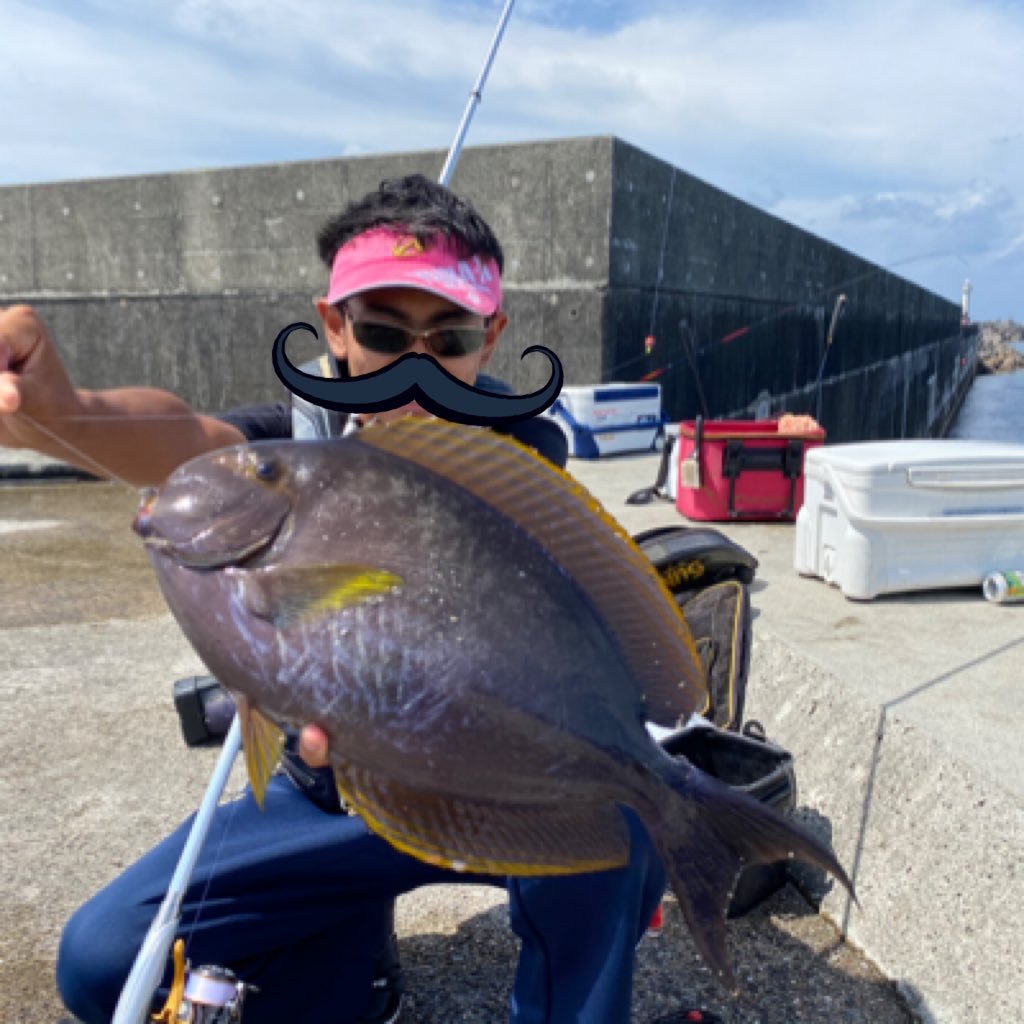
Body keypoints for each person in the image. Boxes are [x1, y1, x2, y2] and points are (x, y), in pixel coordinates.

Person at [0, 174, 666, 1024]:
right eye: (385, 332)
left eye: (451, 335)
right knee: (101, 962)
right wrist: (69, 413)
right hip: (330, 798)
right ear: (335, 329)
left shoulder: (524, 451)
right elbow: (185, 443)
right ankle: (351, 971)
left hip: (495, 782)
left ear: (491, 338)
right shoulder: (296, 446)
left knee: (626, 823)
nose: (418, 367)